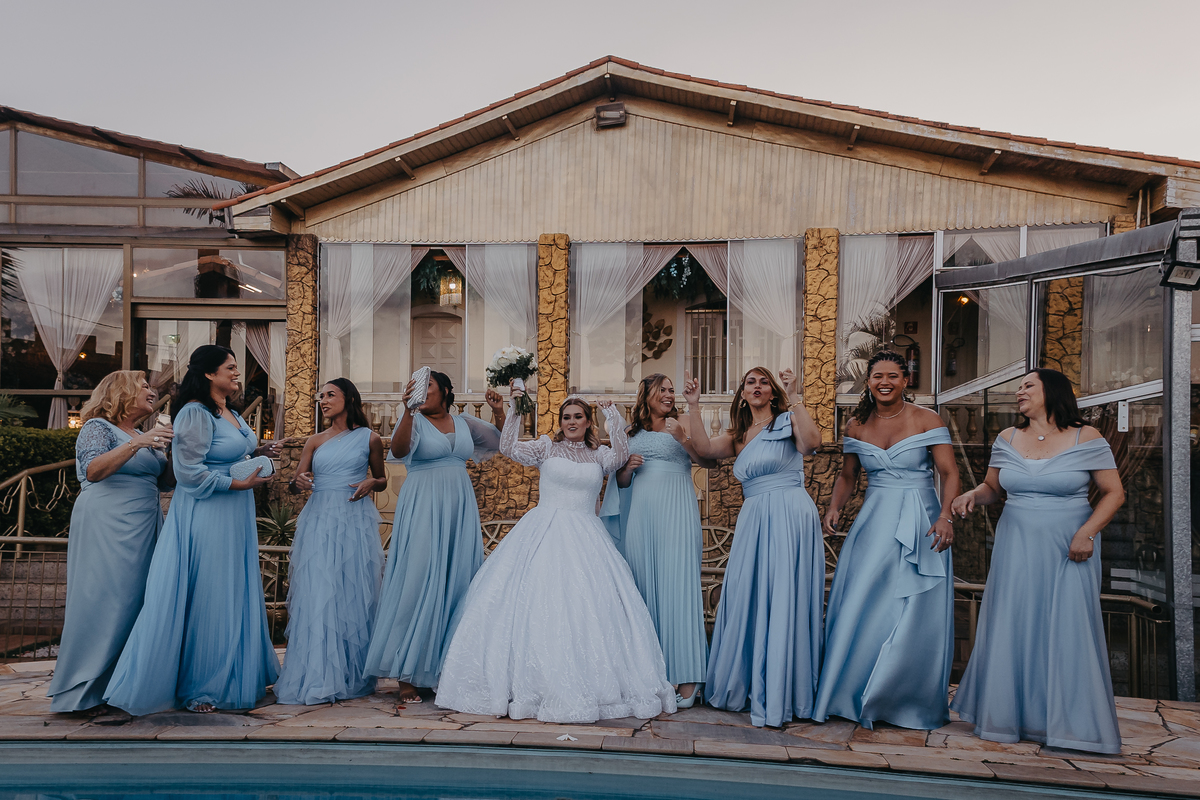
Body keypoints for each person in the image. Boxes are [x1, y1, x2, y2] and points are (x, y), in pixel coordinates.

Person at [435, 390, 676, 722]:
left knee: (587, 608)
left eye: (578, 417)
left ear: (588, 421)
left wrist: (613, 418)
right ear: (560, 422)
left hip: (587, 538)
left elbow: (620, 457)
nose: (571, 422)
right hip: (543, 532)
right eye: (566, 417)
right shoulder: (546, 447)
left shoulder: (599, 454)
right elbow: (509, 447)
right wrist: (515, 410)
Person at [950, 368, 1125, 754]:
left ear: (1053, 391)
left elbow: (1114, 492)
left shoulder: (1086, 437)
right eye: (1019, 386)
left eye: (1028, 385)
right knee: (1014, 622)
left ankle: (1071, 725)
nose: (1019, 391)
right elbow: (993, 488)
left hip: (1069, 546)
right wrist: (971, 496)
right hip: (1016, 546)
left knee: (1068, 627)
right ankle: (1012, 717)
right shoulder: (1007, 438)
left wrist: (1087, 532)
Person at [105, 345, 285, 715]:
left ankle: (237, 673)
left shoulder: (229, 411)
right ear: (208, 373)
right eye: (230, 367)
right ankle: (202, 686)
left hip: (235, 512)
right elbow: (188, 473)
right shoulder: (193, 412)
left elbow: (229, 454)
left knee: (233, 588)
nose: (237, 373)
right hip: (207, 513)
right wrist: (234, 483)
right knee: (211, 591)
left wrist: (260, 455)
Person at [813, 351, 958, 730]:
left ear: (905, 380)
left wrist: (945, 516)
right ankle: (849, 693)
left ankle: (903, 698)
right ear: (869, 381)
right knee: (861, 601)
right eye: (878, 376)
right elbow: (848, 475)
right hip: (874, 522)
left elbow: (949, 472)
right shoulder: (856, 424)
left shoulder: (928, 419)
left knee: (914, 608)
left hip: (922, 521)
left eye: (893, 376)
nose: (885, 382)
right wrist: (834, 507)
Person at [686, 367, 823, 728]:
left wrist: (795, 396)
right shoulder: (739, 435)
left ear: (773, 391)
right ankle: (747, 680)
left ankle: (783, 688)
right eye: (751, 382)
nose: (758, 386)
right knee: (748, 591)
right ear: (743, 394)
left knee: (784, 592)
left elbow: (812, 444)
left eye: (764, 382)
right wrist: (694, 405)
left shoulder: (787, 421)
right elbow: (703, 449)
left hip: (789, 512)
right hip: (754, 517)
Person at [363, 372, 505, 705]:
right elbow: (398, 450)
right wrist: (407, 411)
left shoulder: (464, 422)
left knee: (457, 581)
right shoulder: (412, 420)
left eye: (427, 385)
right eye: (417, 386)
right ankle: (407, 672)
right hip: (423, 504)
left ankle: (444, 669)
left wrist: (499, 412)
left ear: (445, 390)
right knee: (417, 578)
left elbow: (501, 442)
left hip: (459, 507)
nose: (421, 390)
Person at [46, 371, 174, 716]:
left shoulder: (143, 433)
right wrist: (138, 443)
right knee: (104, 601)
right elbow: (93, 470)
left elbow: (165, 483)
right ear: (122, 393)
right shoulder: (97, 427)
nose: (152, 391)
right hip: (107, 523)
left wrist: (177, 451)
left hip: (145, 524)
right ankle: (82, 692)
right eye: (144, 386)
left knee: (138, 602)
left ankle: (121, 686)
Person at [272, 378, 388, 705]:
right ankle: (318, 674)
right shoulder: (314, 441)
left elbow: (381, 479)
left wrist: (371, 482)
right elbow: (296, 483)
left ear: (348, 398)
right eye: (320, 396)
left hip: (354, 519)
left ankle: (351, 673)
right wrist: (298, 482)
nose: (323, 400)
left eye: (330, 395)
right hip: (319, 519)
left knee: (352, 590)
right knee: (319, 590)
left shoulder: (370, 438)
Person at [602, 372, 714, 708]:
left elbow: (707, 460)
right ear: (646, 394)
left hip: (677, 512)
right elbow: (620, 482)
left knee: (679, 589)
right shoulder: (630, 433)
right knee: (642, 590)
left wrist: (683, 436)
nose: (668, 394)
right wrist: (626, 470)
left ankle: (690, 678)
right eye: (661, 389)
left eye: (670, 390)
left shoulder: (682, 422)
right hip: (640, 516)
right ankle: (649, 675)